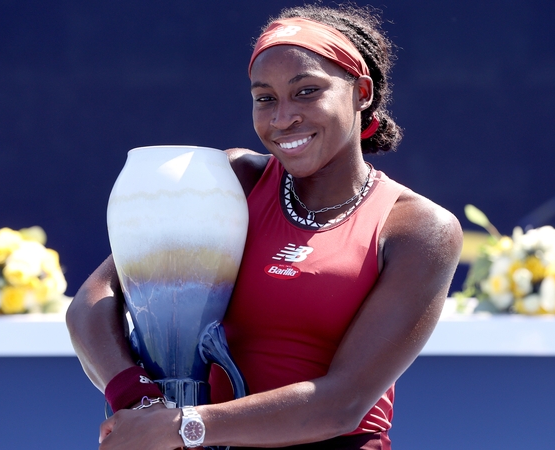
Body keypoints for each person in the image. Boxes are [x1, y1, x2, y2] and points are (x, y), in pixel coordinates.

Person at [66, 4, 462, 449]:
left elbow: (341, 404)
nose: (282, 118)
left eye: (307, 91)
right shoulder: (233, 181)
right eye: (265, 97)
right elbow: (92, 301)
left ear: (362, 92)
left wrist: (182, 426)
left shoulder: (419, 228)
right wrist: (136, 401)